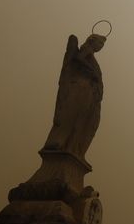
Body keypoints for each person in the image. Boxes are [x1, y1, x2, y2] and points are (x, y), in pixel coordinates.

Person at [42, 33, 106, 163]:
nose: (100, 47)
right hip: (81, 89)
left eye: (102, 46)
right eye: (100, 44)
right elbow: (78, 58)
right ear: (92, 41)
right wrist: (92, 72)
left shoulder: (92, 56)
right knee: (73, 116)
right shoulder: (86, 49)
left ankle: (75, 148)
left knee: (84, 120)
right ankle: (64, 143)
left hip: (89, 92)